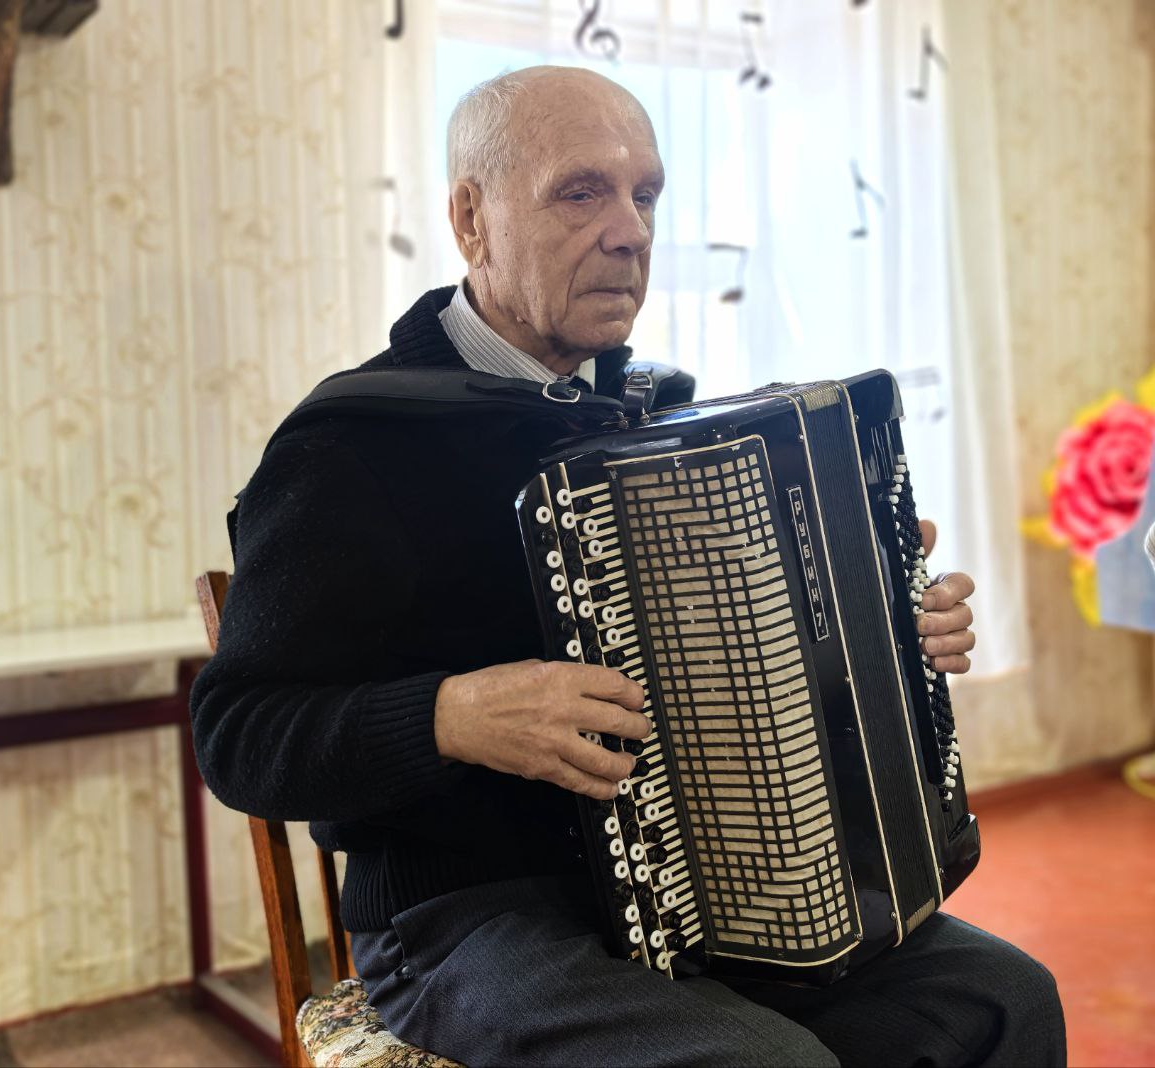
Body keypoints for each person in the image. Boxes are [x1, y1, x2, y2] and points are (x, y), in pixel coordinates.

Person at [190, 66, 1064, 1067]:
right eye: (579, 192)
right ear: (470, 218)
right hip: (470, 920)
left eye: (643, 194)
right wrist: (449, 717)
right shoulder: (353, 446)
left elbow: (746, 665)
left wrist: (883, 629)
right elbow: (238, 735)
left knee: (1001, 999)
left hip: (706, 888)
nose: (630, 231)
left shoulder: (665, 420)